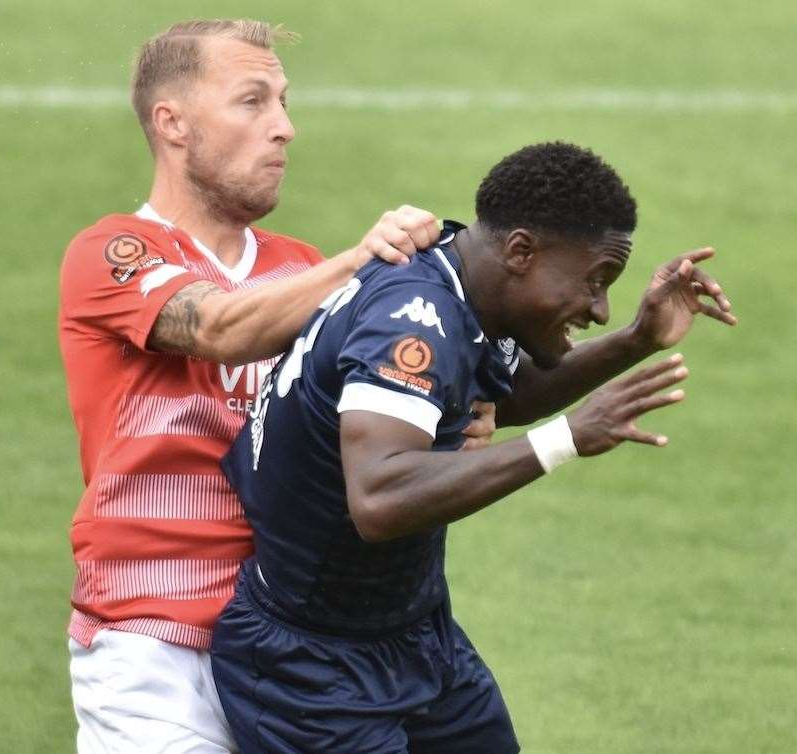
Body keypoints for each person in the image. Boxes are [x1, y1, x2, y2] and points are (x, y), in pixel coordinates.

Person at [211, 142, 738, 753]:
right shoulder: (413, 318)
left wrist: (638, 339)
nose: (598, 308)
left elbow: (507, 392)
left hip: (414, 635)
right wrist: (566, 437)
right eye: (594, 281)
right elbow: (379, 497)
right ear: (520, 251)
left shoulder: (464, 280)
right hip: (311, 667)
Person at [58, 19, 495, 753]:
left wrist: (453, 420)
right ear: (173, 124)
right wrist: (361, 264)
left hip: (297, 648)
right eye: (252, 102)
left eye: (284, 103)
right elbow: (217, 328)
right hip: (155, 645)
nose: (284, 128)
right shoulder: (111, 253)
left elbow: (358, 429)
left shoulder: (302, 266)